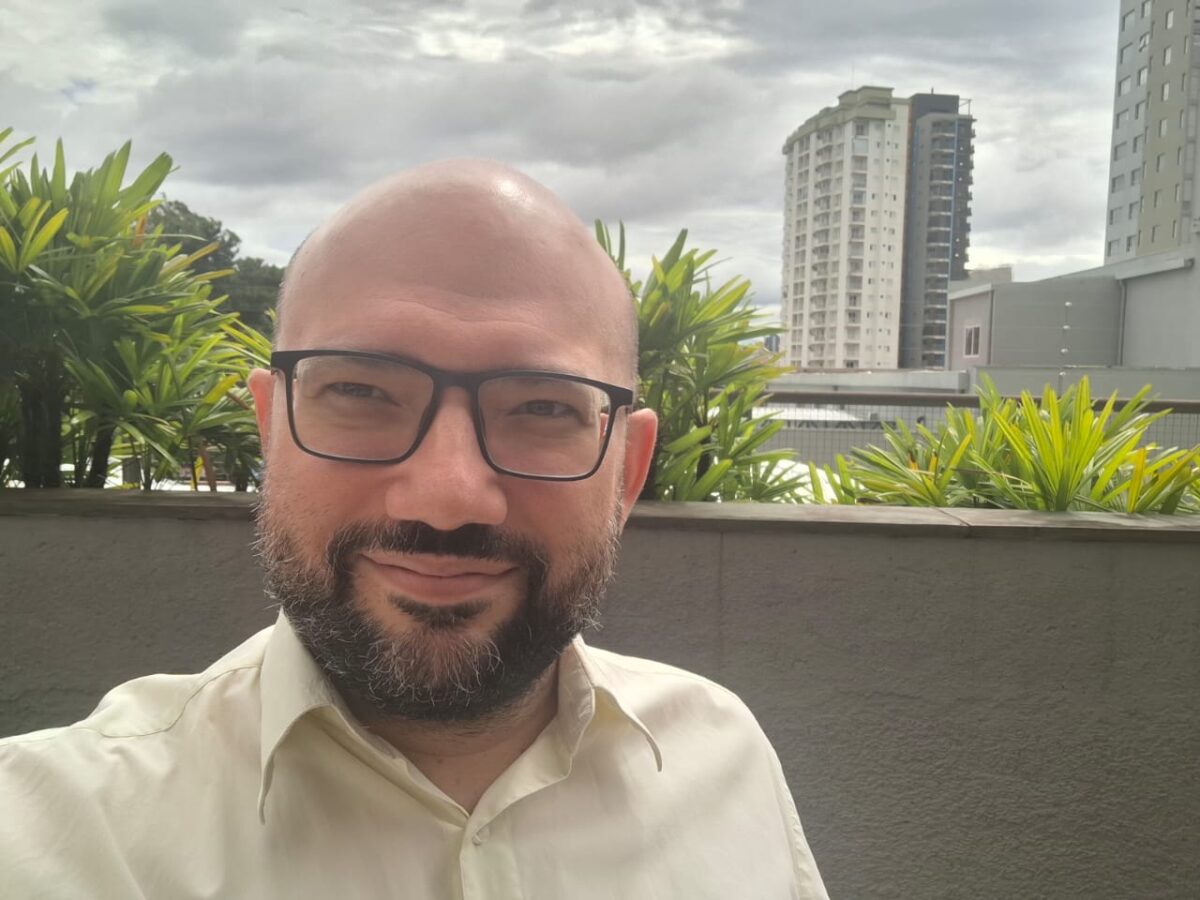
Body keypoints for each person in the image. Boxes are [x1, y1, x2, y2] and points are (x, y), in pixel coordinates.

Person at [0, 160, 828, 898]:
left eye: (541, 408)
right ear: (271, 427)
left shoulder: (725, 757)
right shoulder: (59, 833)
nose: (447, 497)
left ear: (628, 469)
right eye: (361, 393)